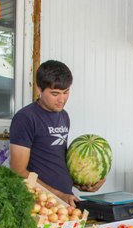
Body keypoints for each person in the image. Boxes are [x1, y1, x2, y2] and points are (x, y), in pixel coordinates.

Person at [9, 60, 103, 207]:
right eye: (55, 93)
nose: (62, 99)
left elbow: (55, 158)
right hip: (41, 203)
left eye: (66, 92)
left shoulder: (64, 115)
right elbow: (19, 170)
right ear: (39, 89)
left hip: (65, 200)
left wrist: (81, 182)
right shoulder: (26, 118)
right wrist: (58, 194)